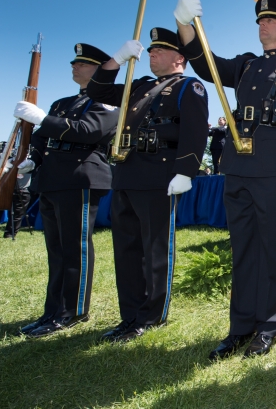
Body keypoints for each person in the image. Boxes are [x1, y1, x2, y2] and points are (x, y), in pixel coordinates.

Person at [174, 0, 276, 360]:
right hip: (239, 167)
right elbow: (204, 63)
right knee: (242, 248)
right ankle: (240, 327)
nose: (262, 25)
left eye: (269, 20)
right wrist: (183, 23)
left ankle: (269, 324)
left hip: (275, 168)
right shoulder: (244, 65)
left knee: (272, 249)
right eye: (259, 21)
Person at [86, 29, 209, 343]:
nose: (152, 55)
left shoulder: (188, 87)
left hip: (160, 176)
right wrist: (116, 60)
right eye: (150, 51)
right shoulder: (138, 85)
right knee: (126, 249)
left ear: (179, 57)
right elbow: (97, 90)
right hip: (127, 173)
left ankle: (151, 315)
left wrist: (186, 171)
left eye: (160, 51)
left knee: (154, 249)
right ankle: (130, 315)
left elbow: (195, 133)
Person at [7, 44, 119, 338]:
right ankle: (53, 310)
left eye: (81, 63)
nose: (74, 66)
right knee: (56, 251)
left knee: (75, 249)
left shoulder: (106, 102)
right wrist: (33, 159)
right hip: (52, 179)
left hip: (79, 177)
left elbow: (90, 131)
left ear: (98, 70)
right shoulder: (61, 103)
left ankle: (73, 310)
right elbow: (42, 138)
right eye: (74, 63)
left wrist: (43, 119)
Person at [0, 145, 32, 239]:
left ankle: (9, 234)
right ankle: (9, 234)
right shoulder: (6, 155)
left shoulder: (29, 158)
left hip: (19, 189)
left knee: (15, 214)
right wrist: (7, 155)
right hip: (5, 188)